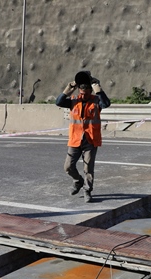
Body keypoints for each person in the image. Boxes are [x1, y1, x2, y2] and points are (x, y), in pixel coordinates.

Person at [56, 70, 111, 203]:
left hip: (90, 140)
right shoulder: (73, 100)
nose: (83, 92)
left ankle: (87, 190)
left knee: (88, 169)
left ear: (90, 90)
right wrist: (70, 86)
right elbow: (59, 102)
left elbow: (106, 103)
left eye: (86, 89)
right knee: (68, 167)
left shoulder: (96, 100)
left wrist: (98, 88)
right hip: (75, 139)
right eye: (81, 89)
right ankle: (78, 181)